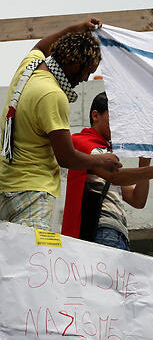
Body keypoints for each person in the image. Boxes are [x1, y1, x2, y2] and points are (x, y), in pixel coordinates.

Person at [0, 18, 121, 232]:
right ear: (74, 64)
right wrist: (101, 160)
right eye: (87, 72)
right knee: (33, 260)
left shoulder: (29, 68)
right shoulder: (53, 95)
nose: (85, 80)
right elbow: (66, 157)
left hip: (6, 185)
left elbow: (40, 46)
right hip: (32, 192)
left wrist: (75, 28)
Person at [62, 92, 153, 250]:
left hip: (117, 231)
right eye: (115, 116)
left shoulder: (105, 151)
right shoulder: (83, 143)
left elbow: (137, 200)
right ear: (95, 115)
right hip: (102, 229)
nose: (119, 124)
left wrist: (144, 162)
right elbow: (115, 177)